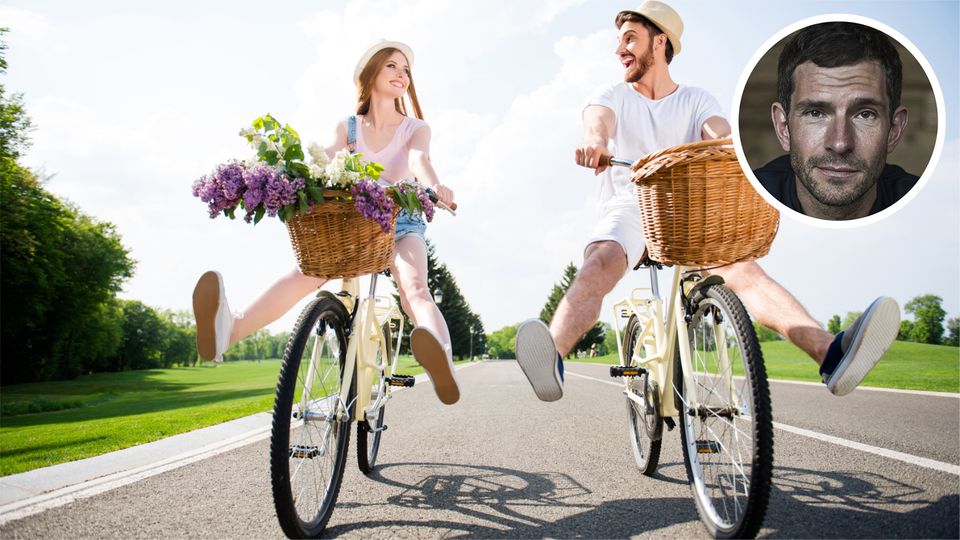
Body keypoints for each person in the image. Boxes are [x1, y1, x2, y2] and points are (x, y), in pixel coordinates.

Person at [514, 1, 901, 401]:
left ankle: (830, 353)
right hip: (634, 203)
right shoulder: (611, 94)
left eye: (630, 39)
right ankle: (554, 356)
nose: (620, 50)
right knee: (601, 261)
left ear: (660, 42)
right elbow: (598, 123)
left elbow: (720, 135)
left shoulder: (696, 98)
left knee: (743, 271)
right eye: (619, 41)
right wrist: (594, 142)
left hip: (691, 207)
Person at [192, 40, 461, 405]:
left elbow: (419, 161)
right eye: (392, 67)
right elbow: (322, 165)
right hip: (352, 222)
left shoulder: (415, 128)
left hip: (401, 221)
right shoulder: (348, 128)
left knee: (414, 286)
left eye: (406, 70)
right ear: (371, 75)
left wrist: (435, 187)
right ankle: (227, 331)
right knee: (304, 273)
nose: (402, 75)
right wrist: (279, 179)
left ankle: (438, 353)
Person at [755, 22, 918, 220]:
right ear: (783, 128)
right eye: (815, 113)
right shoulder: (745, 200)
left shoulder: (926, 207)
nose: (840, 143)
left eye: (865, 114)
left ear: (894, 130)